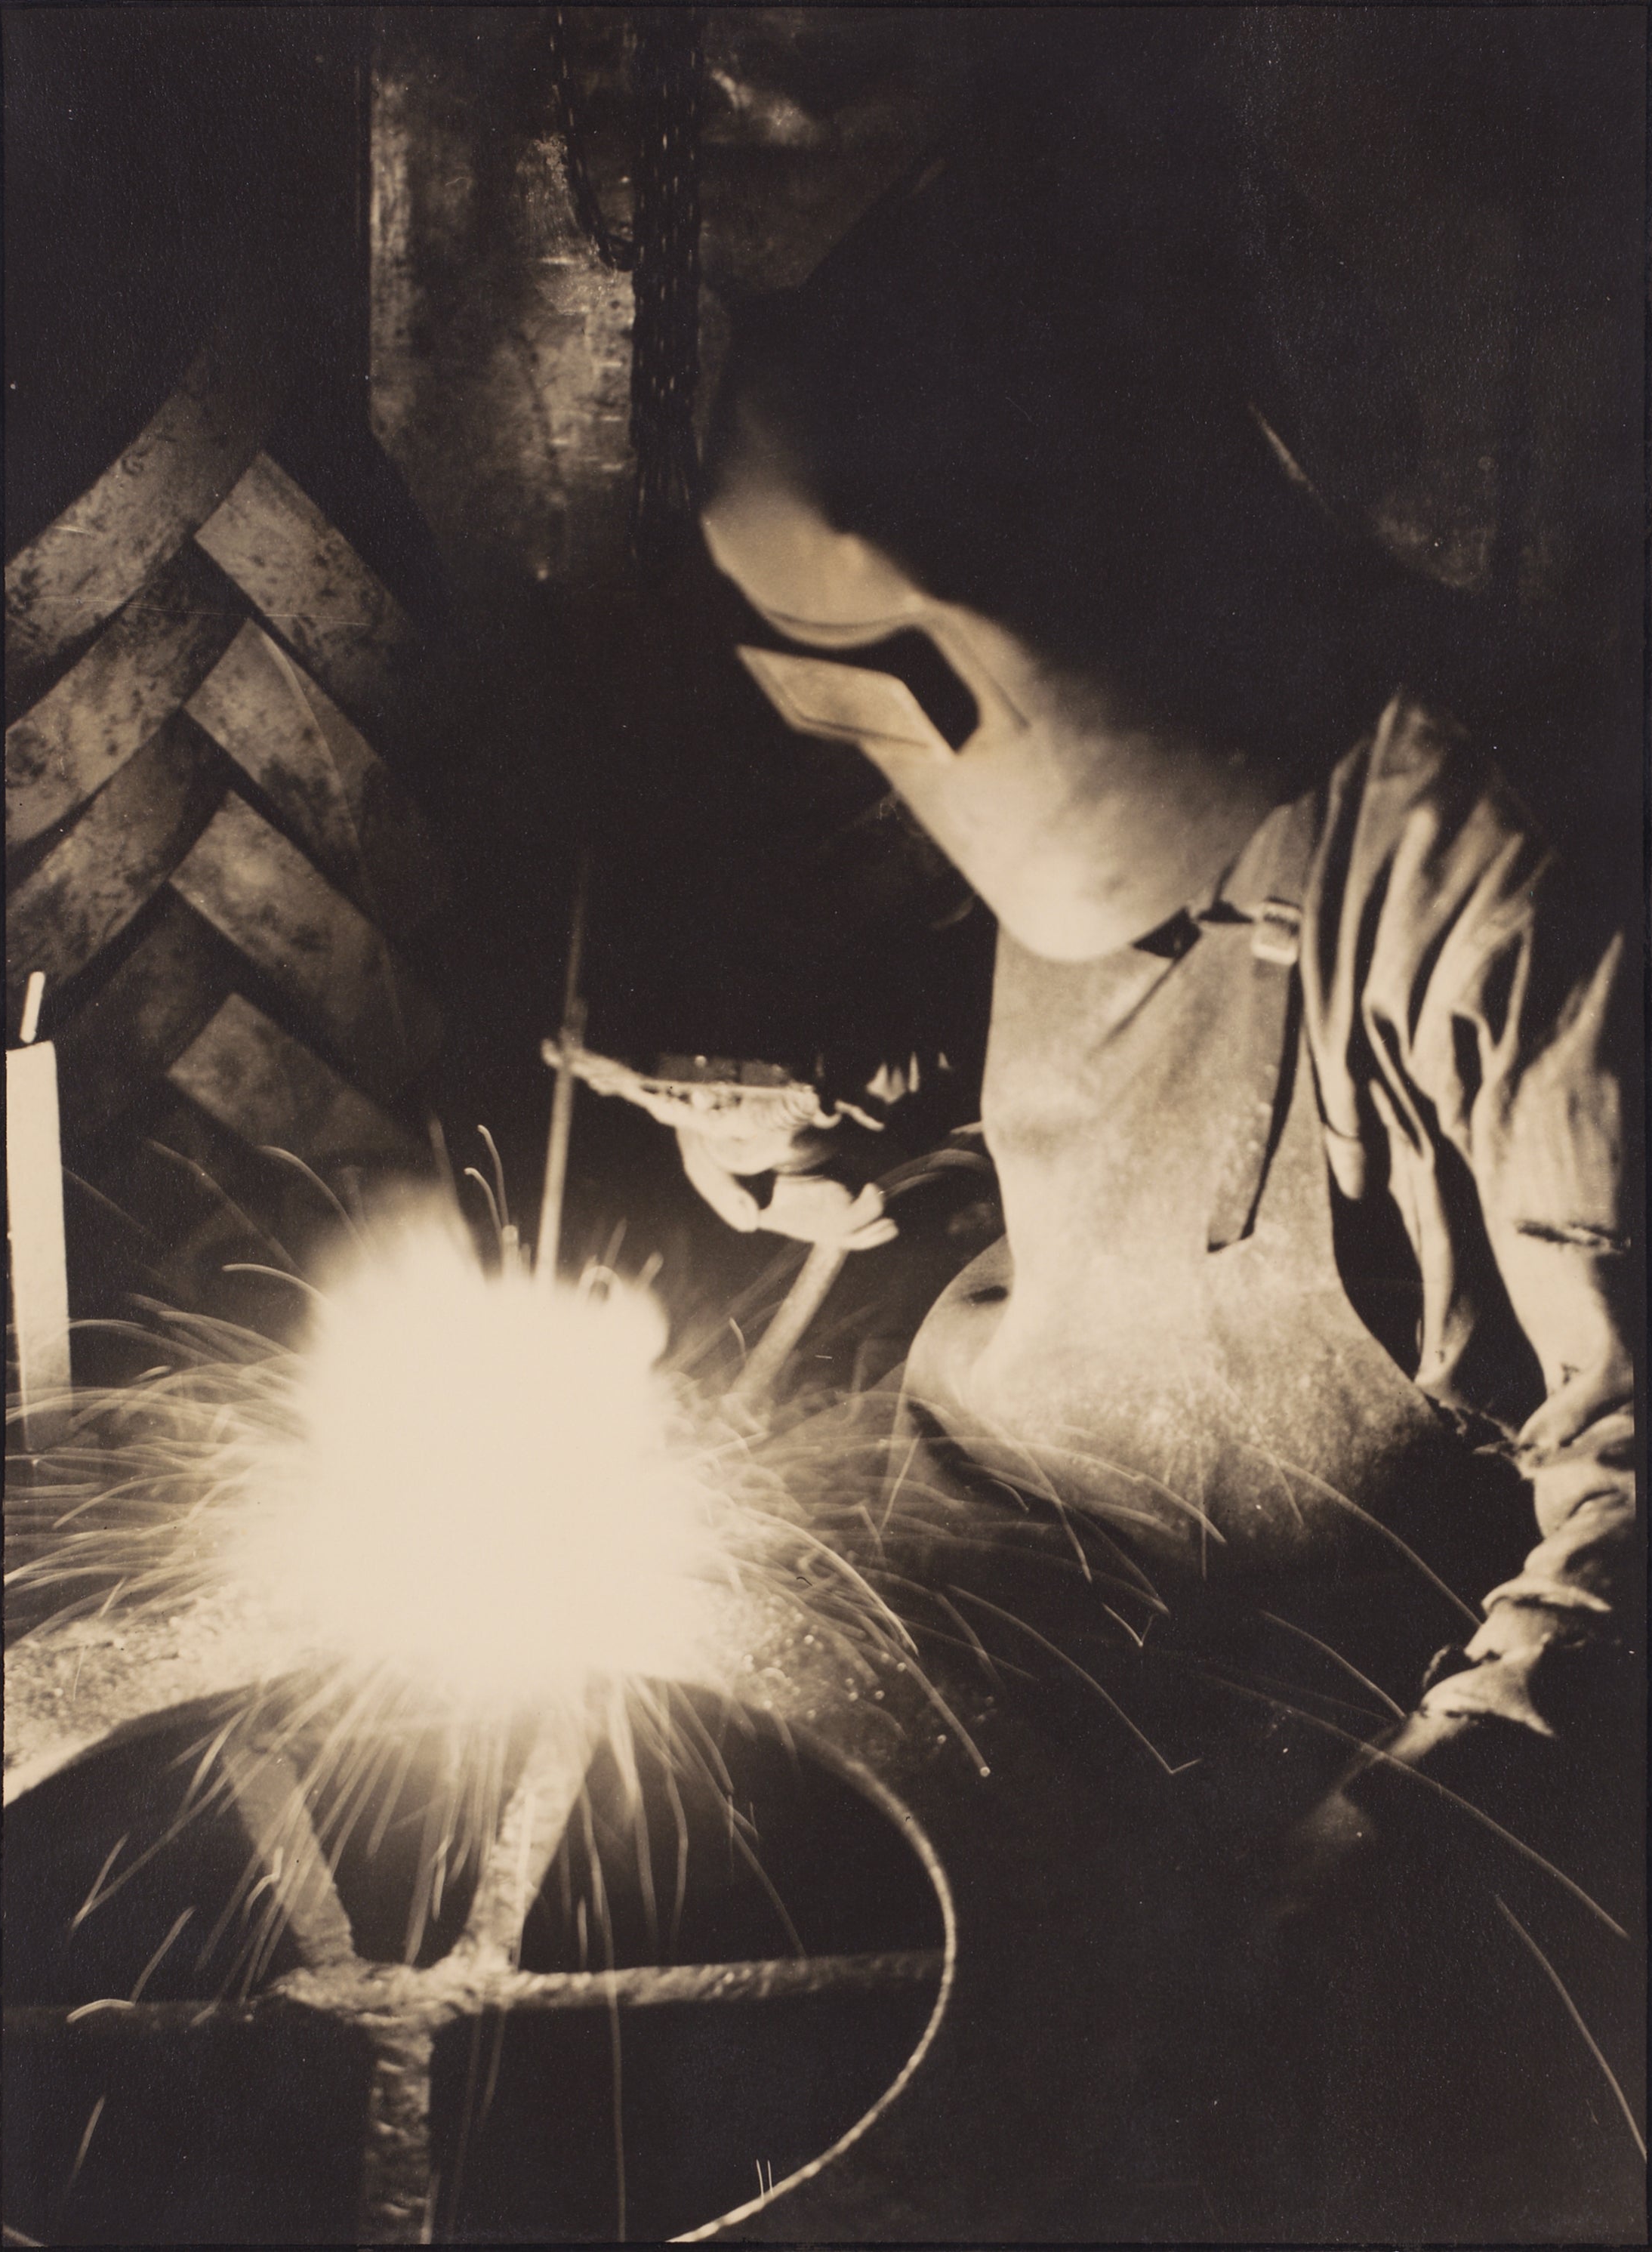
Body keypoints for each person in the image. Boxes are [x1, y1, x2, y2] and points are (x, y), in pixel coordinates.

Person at [666, 60, 1642, 2234]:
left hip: (1292, 1740)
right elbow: (1150, 1095)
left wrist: (1412, 1841)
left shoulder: (1518, 880)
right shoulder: (1118, 766)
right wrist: (881, 1166)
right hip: (997, 1628)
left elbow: (1630, 1480)